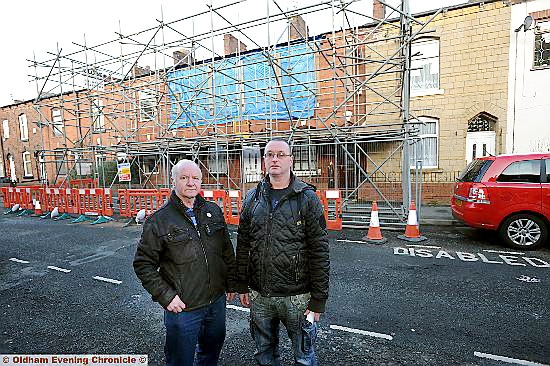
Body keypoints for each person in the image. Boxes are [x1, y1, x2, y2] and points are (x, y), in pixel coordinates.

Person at [235, 138, 330, 366]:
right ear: (264, 160)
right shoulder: (252, 197)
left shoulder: (307, 198)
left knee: (304, 358)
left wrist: (318, 299)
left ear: (291, 160)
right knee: (264, 354)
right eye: (269, 155)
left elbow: (319, 251)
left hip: (297, 297)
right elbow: (243, 244)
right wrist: (240, 284)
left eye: (280, 154)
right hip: (260, 295)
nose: (274, 159)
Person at [133, 159, 236, 366]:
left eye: (195, 178)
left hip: (216, 302)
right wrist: (166, 296)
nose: (191, 183)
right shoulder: (159, 220)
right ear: (173, 182)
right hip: (183, 308)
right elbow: (143, 263)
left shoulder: (213, 211)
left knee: (211, 354)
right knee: (180, 360)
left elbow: (226, 250)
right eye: (184, 178)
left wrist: (231, 282)